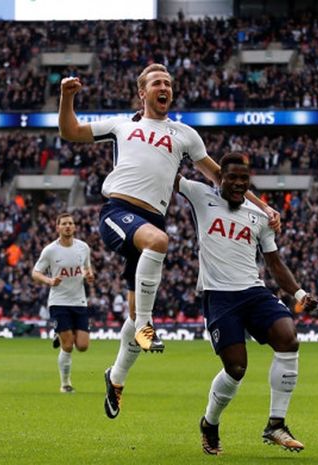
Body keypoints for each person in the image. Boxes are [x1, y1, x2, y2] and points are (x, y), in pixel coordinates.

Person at [58, 63, 281, 418]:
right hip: (118, 212)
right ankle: (148, 326)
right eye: (157, 83)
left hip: (151, 220)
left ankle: (115, 378)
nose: (164, 87)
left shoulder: (185, 135)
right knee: (159, 243)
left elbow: (222, 179)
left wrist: (264, 207)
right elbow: (70, 131)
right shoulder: (122, 125)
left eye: (168, 83)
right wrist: (67, 97)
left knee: (132, 313)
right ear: (142, 92)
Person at [174, 153, 317, 455]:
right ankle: (210, 423)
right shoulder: (200, 195)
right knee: (236, 368)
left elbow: (275, 263)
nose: (239, 183)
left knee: (288, 338)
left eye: (244, 178)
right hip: (219, 296)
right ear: (220, 178)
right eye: (233, 177)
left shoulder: (260, 215)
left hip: (253, 291)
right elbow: (164, 172)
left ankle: (276, 424)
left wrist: (299, 293)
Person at [32, 213, 94, 393]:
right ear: (57, 227)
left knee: (82, 346)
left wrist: (89, 275)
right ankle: (65, 384)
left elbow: (87, 267)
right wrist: (50, 281)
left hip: (79, 301)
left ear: (74, 227)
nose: (68, 226)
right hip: (58, 301)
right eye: (64, 223)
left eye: (71, 223)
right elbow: (35, 273)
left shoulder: (83, 247)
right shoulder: (50, 250)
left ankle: (59, 333)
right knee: (68, 345)